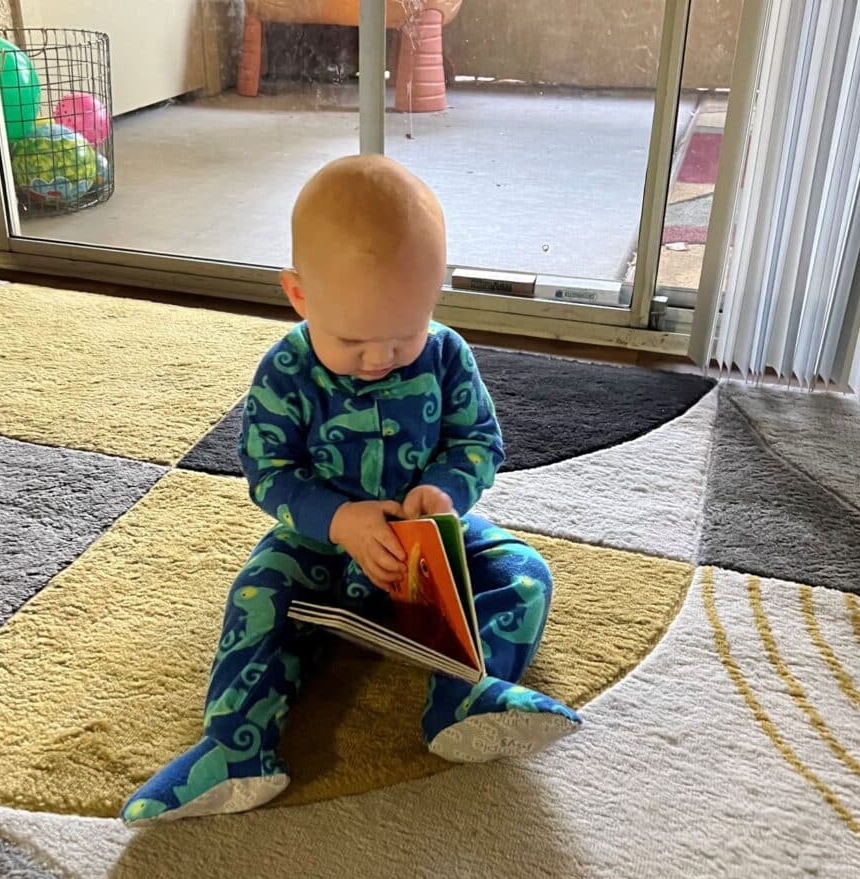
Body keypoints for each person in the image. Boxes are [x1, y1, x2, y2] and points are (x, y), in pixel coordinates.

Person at [122, 155, 580, 825]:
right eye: (353, 339)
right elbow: (268, 471)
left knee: (524, 572)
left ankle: (467, 695)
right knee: (256, 596)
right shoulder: (286, 369)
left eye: (404, 335)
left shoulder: (448, 355)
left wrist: (445, 491)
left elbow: (479, 440)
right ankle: (235, 746)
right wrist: (336, 520)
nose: (379, 358)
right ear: (299, 296)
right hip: (318, 547)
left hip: (426, 551)